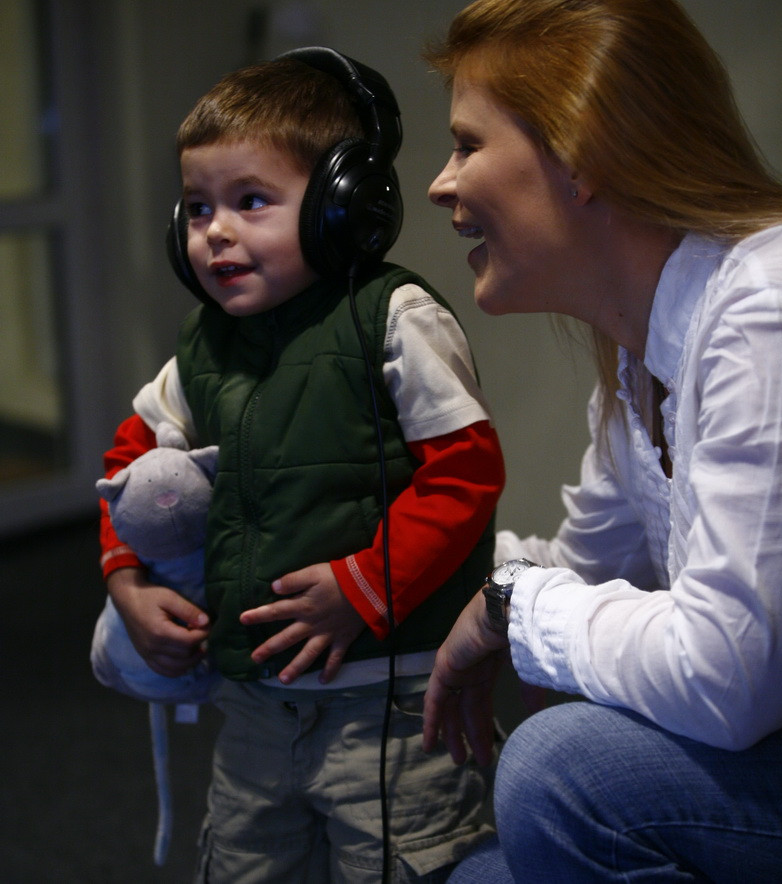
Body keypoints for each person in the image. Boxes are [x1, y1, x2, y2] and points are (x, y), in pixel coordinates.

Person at [98, 49, 505, 882]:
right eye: (198, 207)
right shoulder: (205, 345)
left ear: (339, 210)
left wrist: (364, 583)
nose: (216, 231)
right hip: (253, 706)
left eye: (251, 202)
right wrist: (126, 582)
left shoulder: (393, 319)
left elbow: (465, 469)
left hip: (390, 710)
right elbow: (126, 461)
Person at [420, 0, 782, 880]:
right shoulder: (639, 361)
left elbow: (728, 671)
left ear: (582, 150)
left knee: (560, 777)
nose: (441, 183)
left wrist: (510, 609)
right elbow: (584, 569)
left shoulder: (770, 310)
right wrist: (389, 564)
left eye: (468, 145)